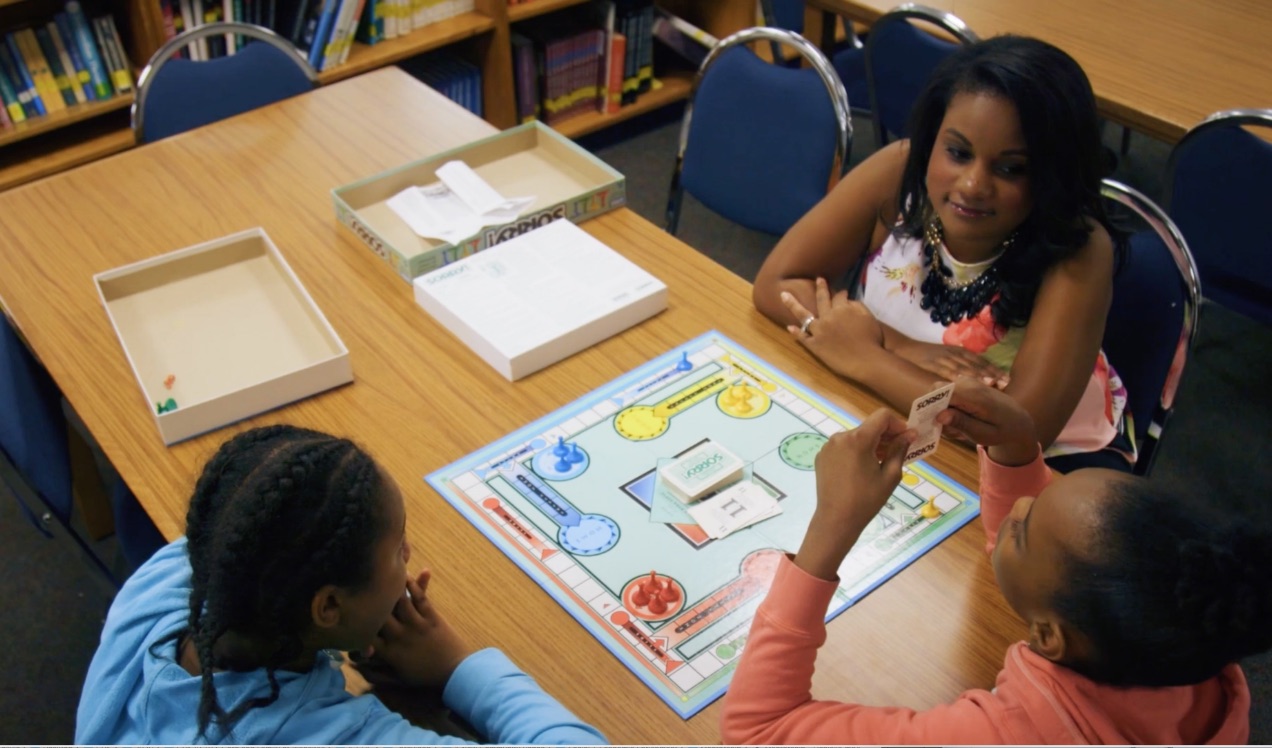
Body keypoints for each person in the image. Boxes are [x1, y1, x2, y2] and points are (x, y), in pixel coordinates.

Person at [719, 380, 1269, 744]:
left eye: (1024, 529)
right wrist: (1019, 450)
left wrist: (827, 533)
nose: (1023, 503)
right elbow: (1046, 577)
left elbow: (757, 729)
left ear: (1051, 638)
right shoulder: (1193, 641)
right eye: (1048, 489)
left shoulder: (1005, 734)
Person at [75, 424, 607, 745]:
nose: (409, 556)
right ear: (327, 605)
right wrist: (456, 668)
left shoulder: (154, 592)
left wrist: (340, 626)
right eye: (398, 548)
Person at [753, 35, 1132, 473]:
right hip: (897, 420)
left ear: (1054, 174)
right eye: (957, 152)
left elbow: (1016, 429)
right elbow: (777, 283)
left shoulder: (1080, 250)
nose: (972, 184)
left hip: (1040, 464)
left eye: (1010, 168)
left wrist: (867, 358)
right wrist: (898, 346)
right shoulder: (901, 170)